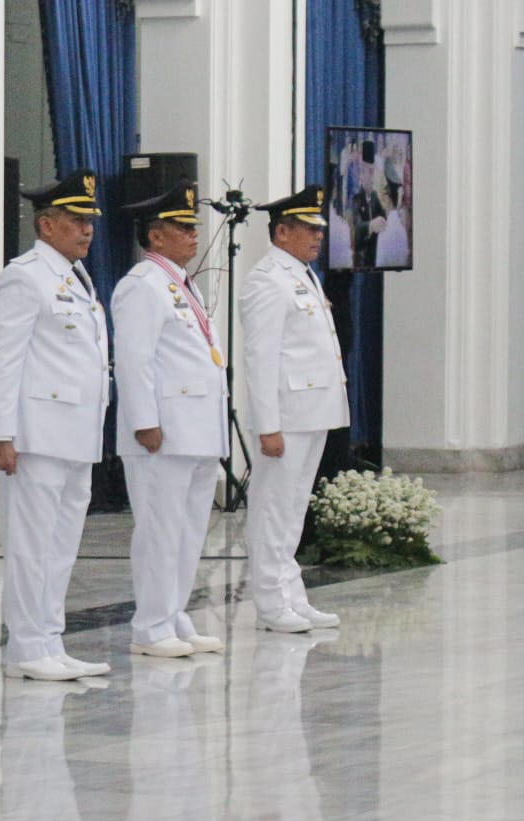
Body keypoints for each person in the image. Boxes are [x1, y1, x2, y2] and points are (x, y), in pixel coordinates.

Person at [0, 169, 111, 681]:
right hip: (38, 433)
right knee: (31, 545)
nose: (86, 230)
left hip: (77, 431)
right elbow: (3, 357)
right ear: (45, 224)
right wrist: (1, 433)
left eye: (89, 221)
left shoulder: (76, 276)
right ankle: (25, 646)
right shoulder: (25, 275)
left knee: (62, 544)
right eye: (75, 220)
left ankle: (50, 639)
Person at [111, 181, 227, 659]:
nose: (193, 235)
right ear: (156, 237)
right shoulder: (142, 285)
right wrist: (144, 421)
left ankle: (174, 614)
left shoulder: (183, 283)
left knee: (187, 531)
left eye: (194, 227)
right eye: (182, 228)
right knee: (160, 531)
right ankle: (151, 625)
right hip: (164, 430)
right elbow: (135, 358)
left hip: (197, 427)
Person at [239, 185, 347, 634]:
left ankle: (291, 595)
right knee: (272, 509)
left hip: (313, 409)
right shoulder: (268, 280)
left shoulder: (303, 274)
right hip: (286, 415)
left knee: (294, 509)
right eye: (307, 228)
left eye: (319, 228)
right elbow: (260, 359)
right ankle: (269, 601)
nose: (317, 236)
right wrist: (268, 426)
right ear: (281, 232)